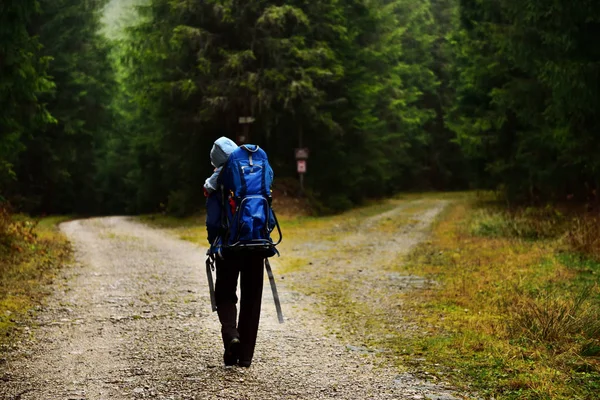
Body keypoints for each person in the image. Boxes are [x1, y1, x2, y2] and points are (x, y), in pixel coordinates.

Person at [204, 137, 265, 368]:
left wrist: (214, 243)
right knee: (252, 297)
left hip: (229, 247)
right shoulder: (253, 172)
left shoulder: (215, 182)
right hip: (257, 243)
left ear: (216, 162)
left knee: (225, 293)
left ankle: (232, 337)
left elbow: (212, 222)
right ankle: (246, 357)